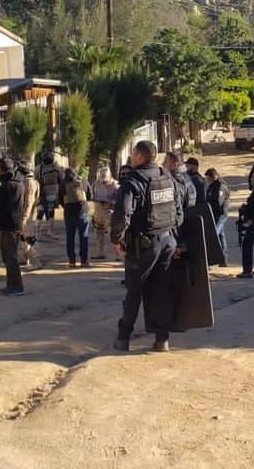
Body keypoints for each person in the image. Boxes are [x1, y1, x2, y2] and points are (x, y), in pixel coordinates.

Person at [111, 140, 181, 353]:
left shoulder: (133, 181)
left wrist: (116, 240)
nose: (131, 158)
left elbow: (122, 215)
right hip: (167, 240)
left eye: (133, 155)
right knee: (161, 290)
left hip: (144, 245)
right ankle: (162, 339)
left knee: (134, 292)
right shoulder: (166, 176)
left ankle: (124, 338)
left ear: (140, 157)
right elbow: (178, 209)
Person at [0, 156, 26, 296]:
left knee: (10, 258)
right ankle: (11, 285)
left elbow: (2, 206)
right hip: (11, 225)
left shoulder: (9, 185)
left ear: (1, 170)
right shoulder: (17, 184)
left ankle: (16, 287)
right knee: (8, 257)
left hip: (8, 227)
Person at [62, 167, 92, 267]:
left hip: (69, 213)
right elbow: (90, 195)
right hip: (82, 212)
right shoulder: (82, 181)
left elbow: (59, 199)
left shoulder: (63, 183)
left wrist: (66, 206)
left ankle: (72, 261)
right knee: (83, 236)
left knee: (70, 237)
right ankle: (84, 261)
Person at [204, 168, 230, 267]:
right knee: (221, 236)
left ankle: (210, 260)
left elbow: (218, 202)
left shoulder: (220, 186)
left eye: (208, 178)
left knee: (213, 235)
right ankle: (223, 260)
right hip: (214, 214)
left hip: (220, 214)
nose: (207, 180)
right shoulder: (212, 186)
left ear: (213, 177)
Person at [91, 166, 118, 260]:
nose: (104, 182)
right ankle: (100, 253)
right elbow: (93, 196)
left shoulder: (115, 185)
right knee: (98, 234)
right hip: (98, 211)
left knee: (113, 235)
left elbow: (119, 200)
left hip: (109, 212)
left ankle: (118, 254)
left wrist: (110, 203)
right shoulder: (96, 184)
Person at [36, 151, 64, 240]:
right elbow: (61, 179)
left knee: (40, 213)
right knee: (51, 213)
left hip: (42, 194)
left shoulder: (38, 168)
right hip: (53, 193)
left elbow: (36, 180)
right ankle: (49, 231)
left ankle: (37, 232)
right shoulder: (57, 168)